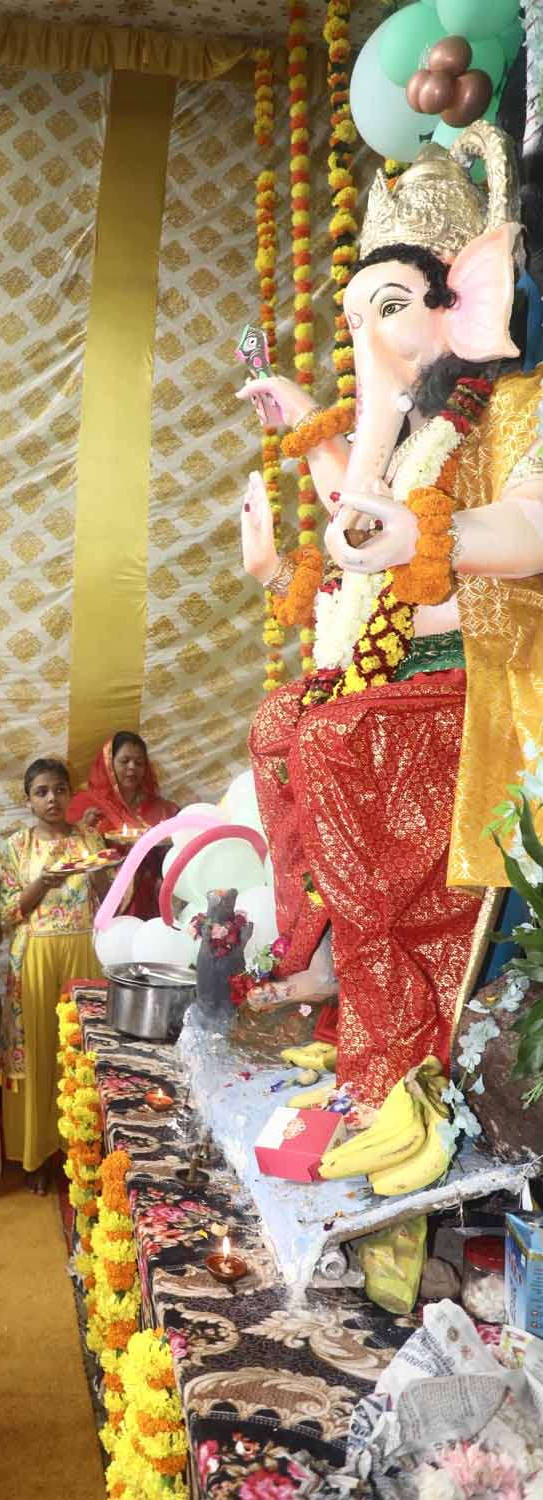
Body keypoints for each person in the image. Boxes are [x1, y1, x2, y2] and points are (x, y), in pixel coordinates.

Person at [235, 121, 543, 1105]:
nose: (369, 335)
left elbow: (528, 526)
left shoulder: (518, 405)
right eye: (358, 315)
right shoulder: (416, 429)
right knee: (279, 726)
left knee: (336, 740)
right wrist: (328, 424)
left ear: (469, 301)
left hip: (489, 671)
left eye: (394, 306)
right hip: (405, 662)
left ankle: (399, 1050)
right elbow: (358, 538)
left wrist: (425, 536)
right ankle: (331, 969)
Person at [0, 758, 111, 1193]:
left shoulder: (88, 838)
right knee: (38, 1050)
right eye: (42, 791)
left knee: (79, 1050)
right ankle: (37, 1153)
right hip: (36, 954)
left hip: (83, 950)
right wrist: (43, 882)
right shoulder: (18, 845)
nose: (52, 798)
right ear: (28, 800)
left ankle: (79, 1150)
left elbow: (109, 900)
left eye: (60, 789)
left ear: (70, 794)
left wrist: (97, 870)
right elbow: (9, 912)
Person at [66, 732, 178, 920]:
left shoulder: (163, 809)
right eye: (125, 761)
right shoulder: (85, 804)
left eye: (139, 763)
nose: (132, 767)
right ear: (108, 764)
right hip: (103, 899)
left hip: (152, 901)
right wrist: (83, 828)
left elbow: (176, 853)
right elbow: (65, 850)